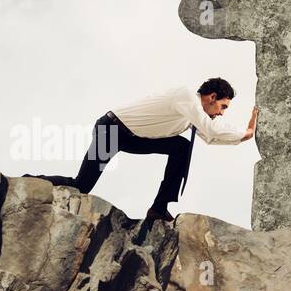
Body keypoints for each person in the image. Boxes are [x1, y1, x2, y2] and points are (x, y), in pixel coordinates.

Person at [52, 79, 257, 222]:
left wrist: (244, 136)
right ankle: (34, 180)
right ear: (212, 97)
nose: (221, 113)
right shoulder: (186, 96)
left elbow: (210, 137)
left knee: (182, 147)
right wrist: (244, 132)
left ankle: (159, 208)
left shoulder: (192, 117)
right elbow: (210, 128)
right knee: (81, 186)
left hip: (134, 139)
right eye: (223, 107)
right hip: (111, 130)